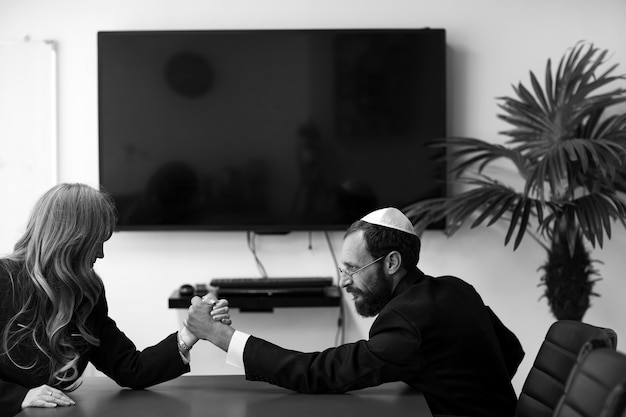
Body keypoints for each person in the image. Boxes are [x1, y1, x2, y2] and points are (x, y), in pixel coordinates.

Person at [185, 207, 524, 417]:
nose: (344, 282)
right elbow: (510, 350)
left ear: (392, 262)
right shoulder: (455, 287)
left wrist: (220, 335)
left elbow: (317, 373)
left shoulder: (405, 322)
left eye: (352, 269)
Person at [0, 183, 230, 416]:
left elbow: (130, 368)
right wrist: (19, 396)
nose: (101, 254)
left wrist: (190, 333)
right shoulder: (3, 278)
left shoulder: (88, 293)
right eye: (97, 241)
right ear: (72, 240)